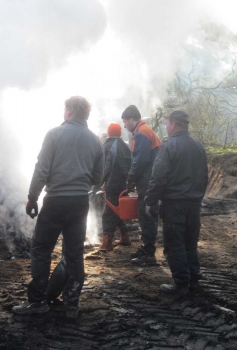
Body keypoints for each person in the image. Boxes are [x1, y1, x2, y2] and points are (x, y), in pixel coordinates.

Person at [12, 96, 104, 318]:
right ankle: (72, 303)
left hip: (55, 201)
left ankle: (37, 302)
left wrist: (32, 196)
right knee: (74, 253)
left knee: (42, 249)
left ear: (70, 110)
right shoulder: (95, 141)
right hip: (80, 203)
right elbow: (98, 176)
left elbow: (42, 169)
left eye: (65, 109)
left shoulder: (54, 134)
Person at [144, 110, 208, 295]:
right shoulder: (198, 146)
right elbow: (204, 176)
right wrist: (198, 196)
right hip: (194, 204)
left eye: (166, 123)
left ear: (173, 124)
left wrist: (150, 201)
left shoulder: (169, 146)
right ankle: (193, 280)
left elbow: (158, 177)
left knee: (175, 244)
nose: (165, 126)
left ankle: (180, 284)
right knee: (190, 242)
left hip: (174, 204)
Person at [121, 105, 161, 265]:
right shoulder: (142, 131)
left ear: (132, 119)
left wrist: (130, 181)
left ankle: (149, 253)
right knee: (145, 215)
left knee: (147, 215)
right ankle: (146, 248)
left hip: (148, 182)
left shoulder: (142, 133)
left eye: (125, 121)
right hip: (148, 180)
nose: (124, 125)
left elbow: (140, 160)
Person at [98, 122, 132, 251]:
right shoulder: (125, 146)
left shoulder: (107, 146)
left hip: (113, 185)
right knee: (117, 211)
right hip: (124, 185)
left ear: (109, 133)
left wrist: (98, 183)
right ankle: (125, 237)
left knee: (108, 214)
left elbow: (105, 168)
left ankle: (106, 244)